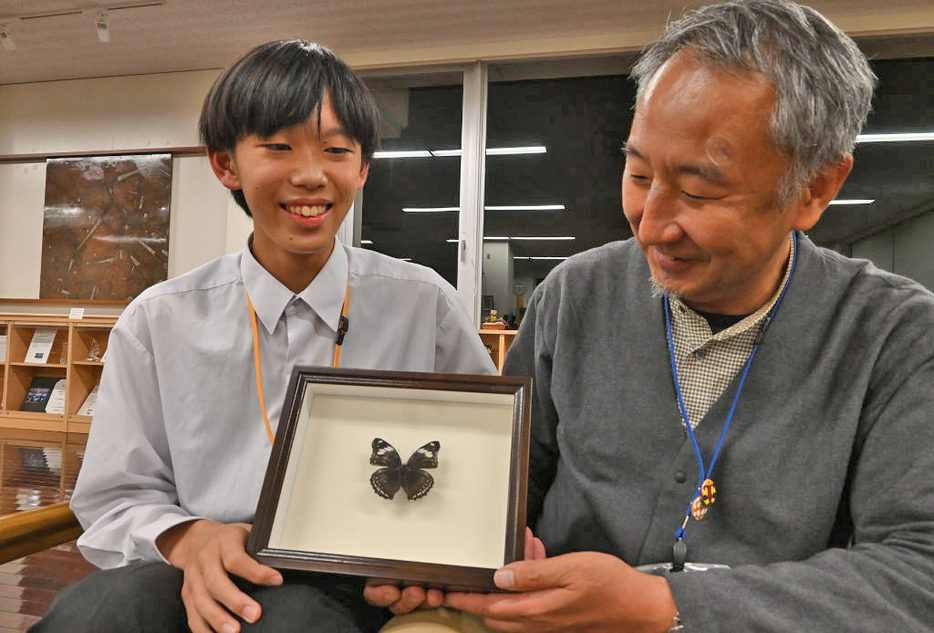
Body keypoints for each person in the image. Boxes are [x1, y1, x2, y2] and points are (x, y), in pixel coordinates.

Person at [369, 0, 934, 630]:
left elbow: (915, 575)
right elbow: (505, 487)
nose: (653, 226)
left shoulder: (897, 337)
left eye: (699, 191)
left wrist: (665, 608)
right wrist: (442, 548)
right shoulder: (575, 294)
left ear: (815, 188)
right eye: (639, 174)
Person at [32, 40, 496, 633]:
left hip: (357, 570)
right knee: (93, 614)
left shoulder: (422, 303)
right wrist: (190, 537)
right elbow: (117, 493)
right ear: (226, 164)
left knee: (296, 618)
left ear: (362, 168)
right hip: (200, 559)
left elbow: (482, 457)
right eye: (278, 147)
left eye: (335, 151)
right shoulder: (160, 319)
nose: (310, 175)